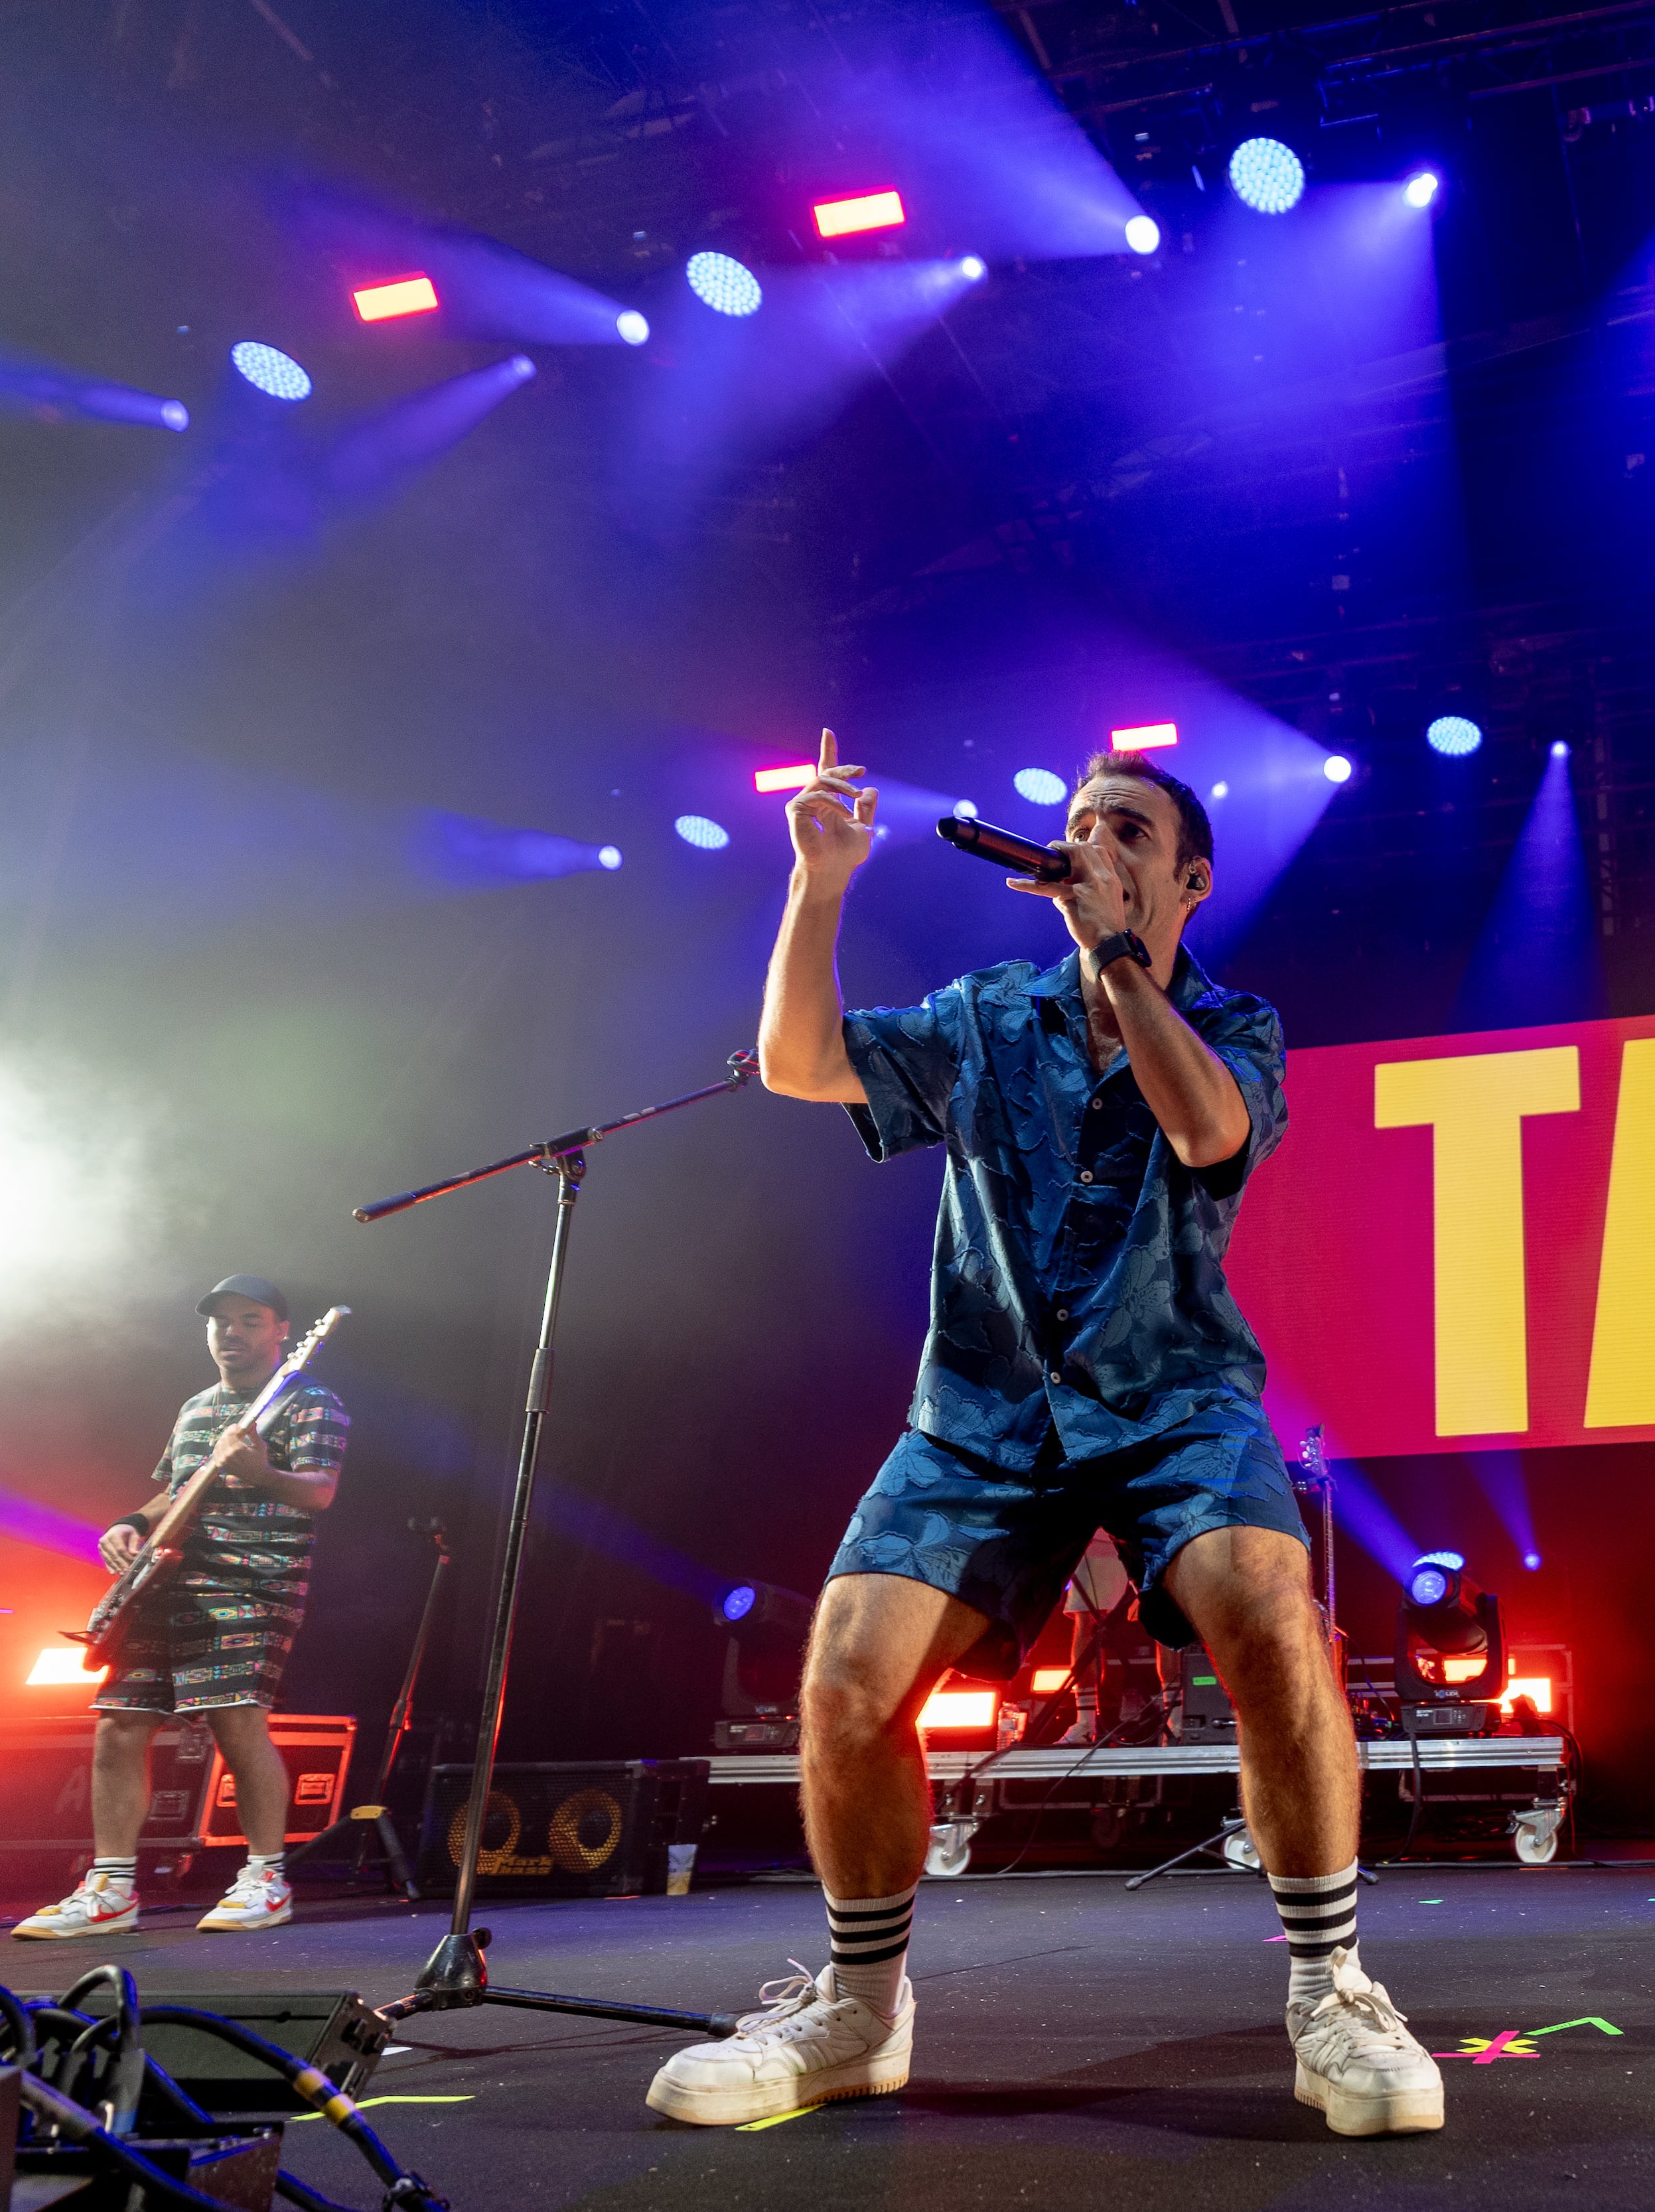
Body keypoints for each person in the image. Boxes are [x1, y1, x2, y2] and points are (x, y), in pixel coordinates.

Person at [646, 732, 1443, 2136]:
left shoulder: (1235, 1021)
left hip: (1173, 1396)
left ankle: (1333, 1988)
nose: (1094, 844)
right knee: (842, 1676)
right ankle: (859, 2007)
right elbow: (799, 1061)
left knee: (1269, 1609)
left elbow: (1205, 1135)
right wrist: (819, 886)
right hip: (983, 1410)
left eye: (1127, 831)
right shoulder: (983, 1015)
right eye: (1080, 824)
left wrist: (1116, 960)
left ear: (1187, 877)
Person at [15, 1277, 346, 1939]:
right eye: (222, 1321)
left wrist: (261, 1474)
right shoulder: (197, 1407)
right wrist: (129, 1521)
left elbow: (318, 1492)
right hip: (167, 1584)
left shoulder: (312, 1402)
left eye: (250, 1320)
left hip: (253, 1584)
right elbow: (178, 1490)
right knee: (119, 1723)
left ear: (281, 1330)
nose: (233, 1332)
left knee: (235, 1722)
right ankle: (110, 1888)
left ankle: (265, 1877)